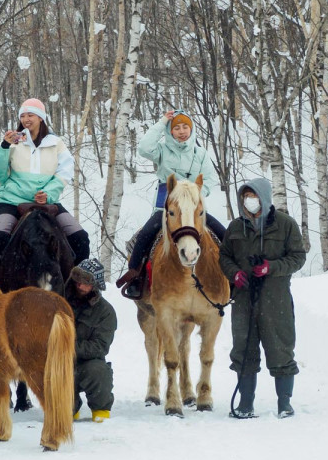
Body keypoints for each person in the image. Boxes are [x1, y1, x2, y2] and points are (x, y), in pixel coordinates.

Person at [218, 177, 307, 419]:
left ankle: (284, 403)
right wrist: (234, 273)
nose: (250, 201)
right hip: (244, 299)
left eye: (254, 196)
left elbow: (298, 257)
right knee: (243, 349)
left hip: (275, 299)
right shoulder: (235, 228)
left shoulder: (286, 225)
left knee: (281, 347)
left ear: (264, 198)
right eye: (246, 197)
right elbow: (224, 256)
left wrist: (272, 267)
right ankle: (245, 404)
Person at [0, 97, 90, 285]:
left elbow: (64, 172)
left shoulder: (56, 143)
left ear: (41, 118)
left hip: (48, 202)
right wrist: (5, 147)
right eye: (23, 116)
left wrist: (48, 193)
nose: (26, 119)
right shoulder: (11, 141)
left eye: (31, 115)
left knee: (80, 238)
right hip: (12, 201)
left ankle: (75, 290)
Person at [115, 110, 226, 299]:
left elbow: (209, 178)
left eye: (185, 127)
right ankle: (135, 277)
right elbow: (144, 148)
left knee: (223, 234)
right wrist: (162, 122)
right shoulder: (162, 150)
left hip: (193, 208)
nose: (182, 131)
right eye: (176, 127)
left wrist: (197, 194)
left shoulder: (200, 153)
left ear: (191, 130)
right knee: (144, 236)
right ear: (170, 131)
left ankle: (230, 277)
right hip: (167, 208)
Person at [65, 259, 117, 422]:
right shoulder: (59, 302)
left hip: (89, 363)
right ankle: (68, 408)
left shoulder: (106, 312)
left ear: (95, 285)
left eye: (85, 282)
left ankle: (100, 410)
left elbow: (100, 347)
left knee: (99, 371)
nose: (80, 286)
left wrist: (67, 347)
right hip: (61, 362)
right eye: (77, 281)